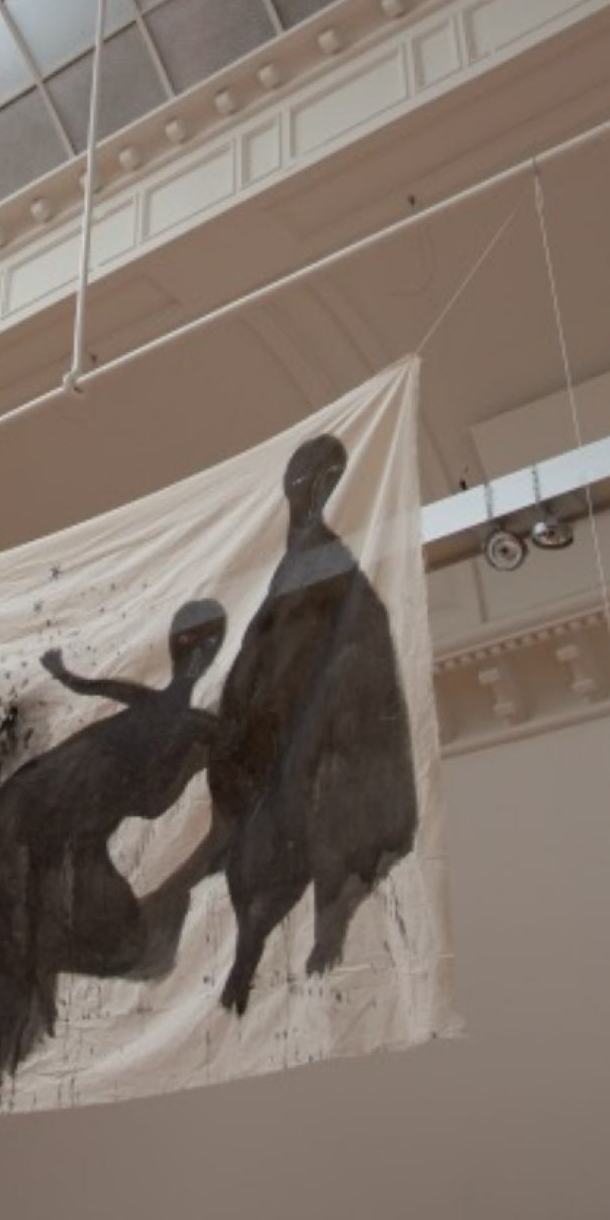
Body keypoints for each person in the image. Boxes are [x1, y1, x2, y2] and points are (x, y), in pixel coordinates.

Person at [0, 598, 226, 1114]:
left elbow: (107, 692)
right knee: (83, 947)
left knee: (119, 941)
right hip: (44, 825)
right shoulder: (182, 722)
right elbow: (147, 795)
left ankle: (5, 1037)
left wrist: (69, 677)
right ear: (202, 651)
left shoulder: (172, 712)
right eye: (201, 645)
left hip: (52, 823)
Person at [208, 433, 418, 1014]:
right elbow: (259, 644)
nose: (303, 489)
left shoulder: (330, 558)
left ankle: (323, 924)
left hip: (314, 723)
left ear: (329, 486)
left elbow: (362, 632)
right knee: (252, 851)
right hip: (271, 729)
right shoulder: (291, 557)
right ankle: (247, 955)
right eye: (298, 478)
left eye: (317, 479)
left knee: (297, 827)